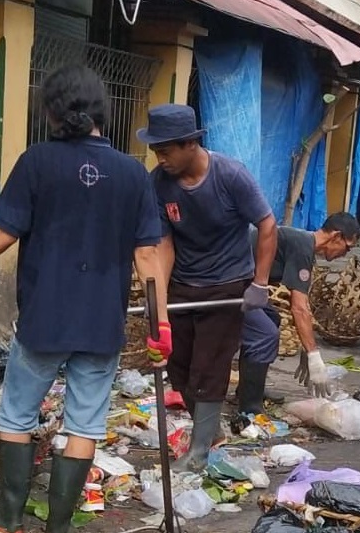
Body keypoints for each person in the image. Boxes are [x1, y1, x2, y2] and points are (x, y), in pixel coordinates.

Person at [0, 65, 171, 533]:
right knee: (85, 423)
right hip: (100, 322)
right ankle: (59, 526)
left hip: (44, 317)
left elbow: (2, 235)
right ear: (100, 112)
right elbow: (148, 256)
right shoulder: (134, 174)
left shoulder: (37, 162)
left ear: (52, 110)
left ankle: (6, 514)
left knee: (17, 412)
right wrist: (160, 327)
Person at [138, 104, 277, 472]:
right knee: (180, 366)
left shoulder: (230, 175)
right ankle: (210, 433)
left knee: (209, 368)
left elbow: (266, 224)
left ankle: (200, 452)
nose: (161, 158)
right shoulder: (159, 182)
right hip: (185, 281)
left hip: (227, 284)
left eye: (166, 150)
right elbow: (163, 244)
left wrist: (260, 283)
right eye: (156, 151)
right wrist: (161, 303)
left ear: (190, 144)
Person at [238, 213, 360, 414]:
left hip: (243, 283)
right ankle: (249, 407)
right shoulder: (302, 246)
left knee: (271, 318)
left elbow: (297, 302)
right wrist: (314, 356)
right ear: (336, 237)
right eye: (347, 247)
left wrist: (306, 345)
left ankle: (248, 390)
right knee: (266, 334)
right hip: (227, 281)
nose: (345, 254)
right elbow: (299, 307)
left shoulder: (302, 243)